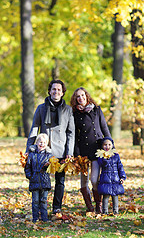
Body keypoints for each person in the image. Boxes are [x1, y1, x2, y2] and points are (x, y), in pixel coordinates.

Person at [26, 79, 75, 214]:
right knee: (41, 181)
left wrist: (69, 152)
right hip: (44, 151)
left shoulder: (68, 110)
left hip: (61, 151)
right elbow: (34, 128)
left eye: (59, 89)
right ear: (49, 91)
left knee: (60, 181)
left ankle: (56, 207)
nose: (56, 92)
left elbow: (71, 133)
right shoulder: (41, 108)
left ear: (63, 92)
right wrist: (29, 149)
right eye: (54, 89)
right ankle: (41, 208)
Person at [70, 87, 111, 213]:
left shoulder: (97, 110)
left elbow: (104, 128)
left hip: (96, 149)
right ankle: (90, 207)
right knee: (83, 183)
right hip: (82, 152)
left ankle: (98, 204)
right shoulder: (74, 114)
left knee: (94, 180)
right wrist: (76, 155)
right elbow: (75, 135)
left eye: (82, 95)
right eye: (78, 96)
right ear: (75, 99)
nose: (80, 98)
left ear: (87, 96)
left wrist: (110, 145)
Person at [25, 133, 52, 222]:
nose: (42, 144)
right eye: (40, 142)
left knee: (44, 201)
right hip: (34, 180)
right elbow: (28, 167)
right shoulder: (32, 155)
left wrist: (47, 166)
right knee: (35, 201)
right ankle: (35, 218)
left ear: (46, 144)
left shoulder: (49, 155)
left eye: (44, 143)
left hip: (45, 180)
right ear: (36, 143)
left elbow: (51, 168)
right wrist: (30, 176)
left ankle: (44, 218)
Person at [97, 137, 126, 215]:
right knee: (105, 196)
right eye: (105, 145)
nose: (107, 146)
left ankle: (115, 211)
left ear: (112, 145)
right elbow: (101, 164)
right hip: (105, 179)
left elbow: (120, 166)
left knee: (115, 196)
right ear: (102, 146)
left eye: (109, 145)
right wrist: (105, 158)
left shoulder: (116, 156)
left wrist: (122, 177)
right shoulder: (101, 155)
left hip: (115, 179)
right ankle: (105, 211)